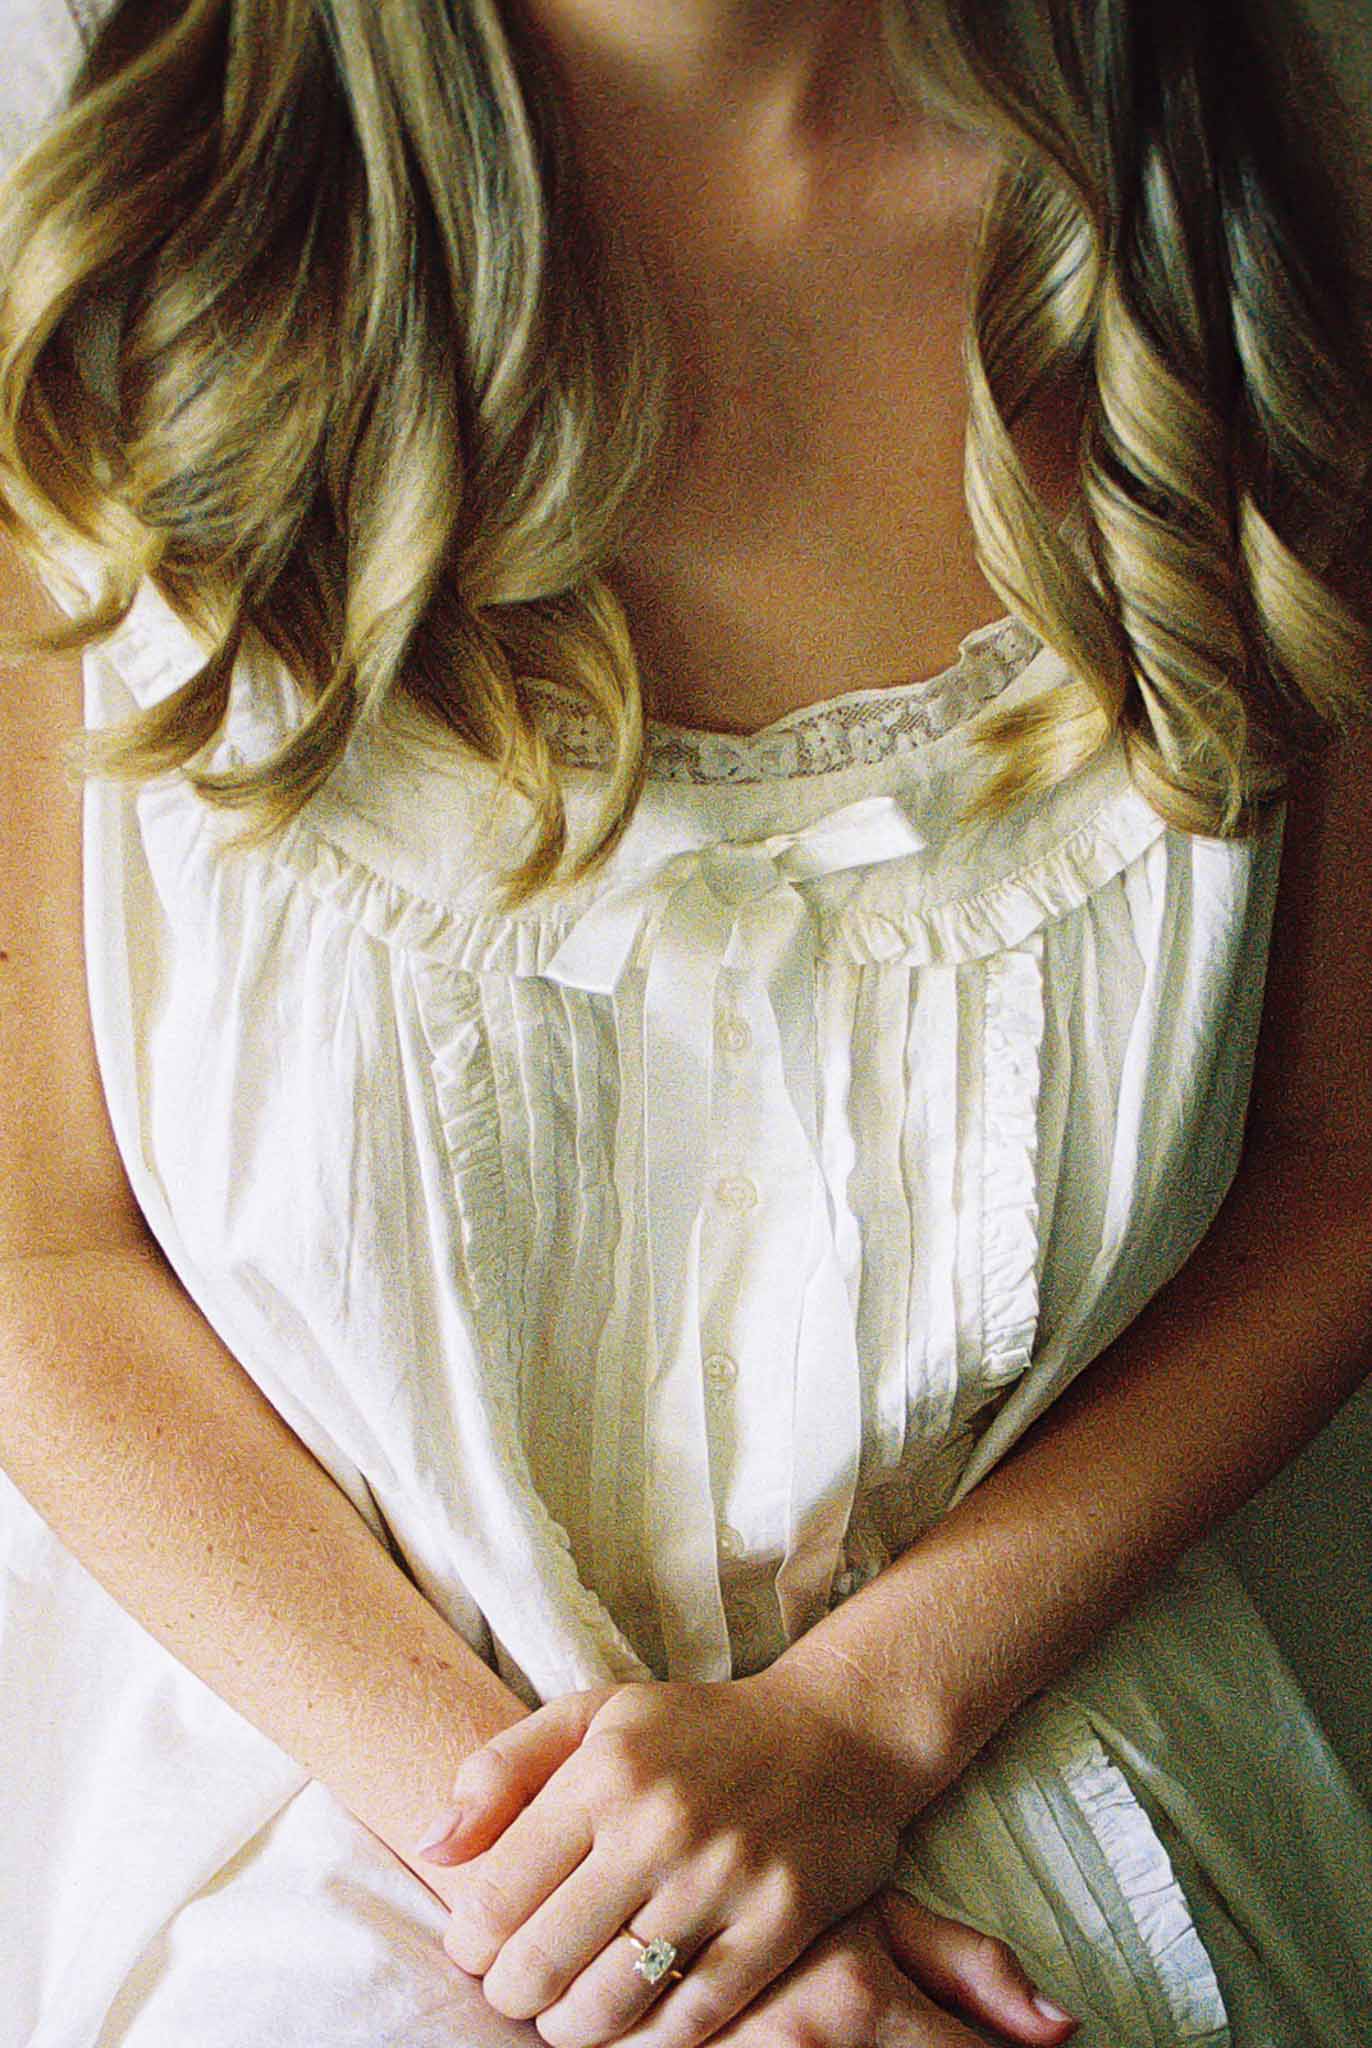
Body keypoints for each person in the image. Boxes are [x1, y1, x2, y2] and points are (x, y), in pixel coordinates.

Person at [1, 1, 1370, 2044]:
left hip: (1036, 1747)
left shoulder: (1241, 285)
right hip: (345, 1788)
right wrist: (611, 1899)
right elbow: (42, 1248)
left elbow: (1334, 1169)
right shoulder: (122, 275)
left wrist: (852, 1726)